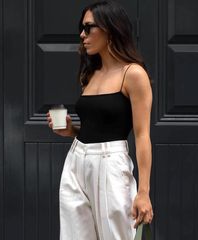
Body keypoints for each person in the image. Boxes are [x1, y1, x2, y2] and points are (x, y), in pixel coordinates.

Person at [46, 1, 153, 239]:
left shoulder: (133, 74)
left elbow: (142, 135)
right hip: (76, 161)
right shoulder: (90, 74)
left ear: (110, 28)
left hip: (110, 164)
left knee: (116, 235)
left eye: (88, 27)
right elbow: (98, 127)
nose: (82, 35)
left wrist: (143, 192)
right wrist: (72, 130)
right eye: (82, 29)